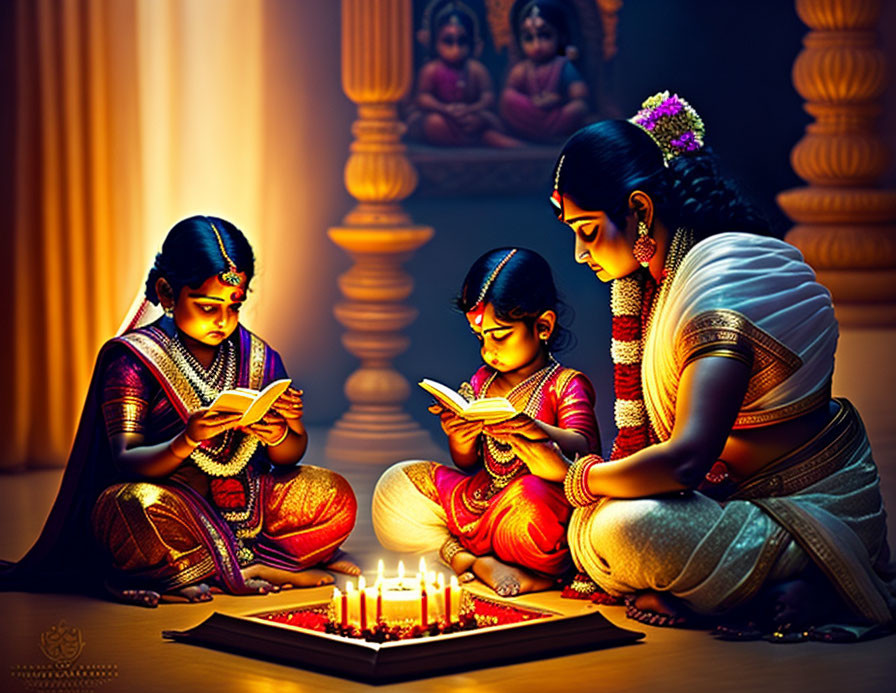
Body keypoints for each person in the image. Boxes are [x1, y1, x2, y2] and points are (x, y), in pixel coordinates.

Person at [507, 92, 895, 638]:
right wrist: (548, 441)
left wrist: (576, 477)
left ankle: (814, 581)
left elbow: (688, 461)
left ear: (639, 211)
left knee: (617, 528)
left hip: (805, 511)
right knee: (596, 524)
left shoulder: (718, 290)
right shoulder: (669, 283)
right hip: (736, 501)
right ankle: (743, 592)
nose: (579, 252)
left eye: (587, 229)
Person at [0, 216, 358, 606]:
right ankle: (254, 567)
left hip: (250, 506)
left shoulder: (258, 355)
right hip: (171, 502)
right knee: (130, 506)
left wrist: (280, 435)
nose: (223, 321)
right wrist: (187, 439)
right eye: (207, 306)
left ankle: (211, 567)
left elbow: (290, 454)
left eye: (234, 306)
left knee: (333, 494)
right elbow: (126, 460)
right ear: (167, 293)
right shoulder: (133, 360)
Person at [372, 248, 600, 597]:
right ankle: (474, 561)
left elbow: (585, 449)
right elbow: (466, 464)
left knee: (531, 503)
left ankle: (506, 566)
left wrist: (539, 431)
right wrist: (459, 437)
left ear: (542, 326)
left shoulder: (566, 384)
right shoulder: (482, 381)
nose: (488, 350)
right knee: (395, 487)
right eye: (480, 338)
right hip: (480, 497)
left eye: (500, 334)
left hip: (533, 506)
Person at [408, 0, 520, 148]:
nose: (456, 49)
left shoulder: (476, 69)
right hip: (444, 117)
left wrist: (470, 109)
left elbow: (488, 97)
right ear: (435, 43)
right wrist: (445, 109)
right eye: (448, 41)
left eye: (462, 42)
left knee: (482, 121)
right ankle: (475, 141)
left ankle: (485, 140)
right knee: (434, 123)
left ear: (473, 44)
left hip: (470, 116)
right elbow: (423, 97)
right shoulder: (431, 69)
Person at [499, 0, 588, 143]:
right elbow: (511, 91)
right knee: (508, 98)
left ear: (560, 36)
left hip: (555, 114)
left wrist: (558, 99)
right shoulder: (523, 68)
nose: (537, 45)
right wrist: (532, 103)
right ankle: (538, 135)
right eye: (529, 38)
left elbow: (579, 94)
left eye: (545, 35)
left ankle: (548, 135)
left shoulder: (562, 65)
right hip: (530, 112)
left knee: (578, 108)